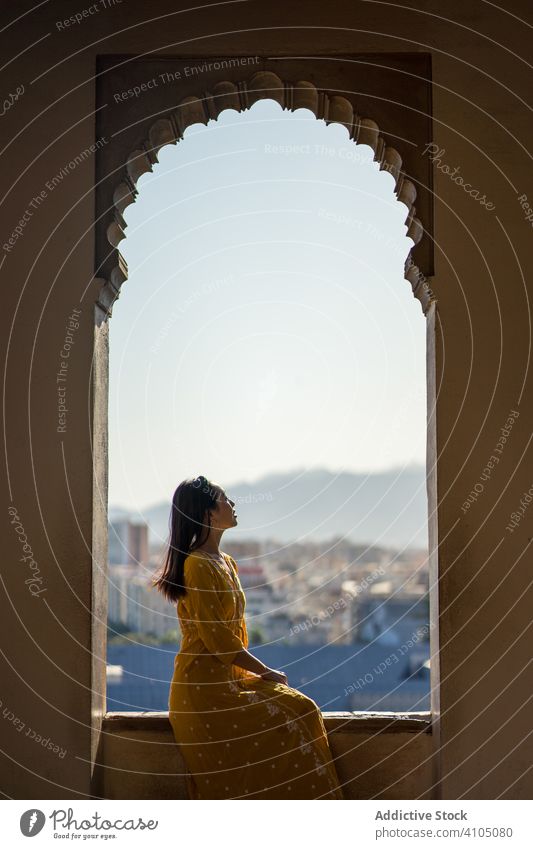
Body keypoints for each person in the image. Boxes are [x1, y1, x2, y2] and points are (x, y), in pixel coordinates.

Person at [153, 474, 345, 800]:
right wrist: (266, 672)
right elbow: (219, 639)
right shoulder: (198, 566)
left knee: (303, 710)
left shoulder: (226, 562)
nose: (232, 504)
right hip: (205, 693)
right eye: (225, 499)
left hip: (229, 682)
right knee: (299, 712)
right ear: (208, 513)